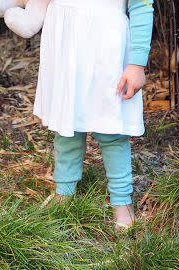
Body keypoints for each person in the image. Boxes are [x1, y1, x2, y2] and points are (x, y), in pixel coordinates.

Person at [34, 0, 154, 229]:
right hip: (65, 40)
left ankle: (122, 201)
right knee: (66, 124)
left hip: (107, 45)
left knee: (112, 129)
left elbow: (142, 6)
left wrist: (137, 64)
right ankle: (64, 192)